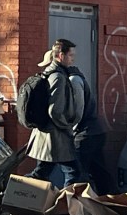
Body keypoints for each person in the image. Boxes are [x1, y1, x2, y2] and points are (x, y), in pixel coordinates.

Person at [25, 38, 83, 188]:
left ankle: (21, 197)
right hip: (55, 136)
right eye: (70, 55)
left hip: (46, 136)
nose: (73, 59)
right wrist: (67, 126)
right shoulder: (58, 77)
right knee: (73, 172)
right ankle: (66, 204)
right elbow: (55, 110)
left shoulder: (50, 72)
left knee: (41, 173)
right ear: (60, 56)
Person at [69, 64, 115, 194]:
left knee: (78, 172)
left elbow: (78, 111)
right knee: (99, 171)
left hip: (85, 133)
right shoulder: (78, 78)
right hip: (96, 131)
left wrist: (72, 129)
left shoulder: (73, 81)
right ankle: (111, 199)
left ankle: (78, 203)